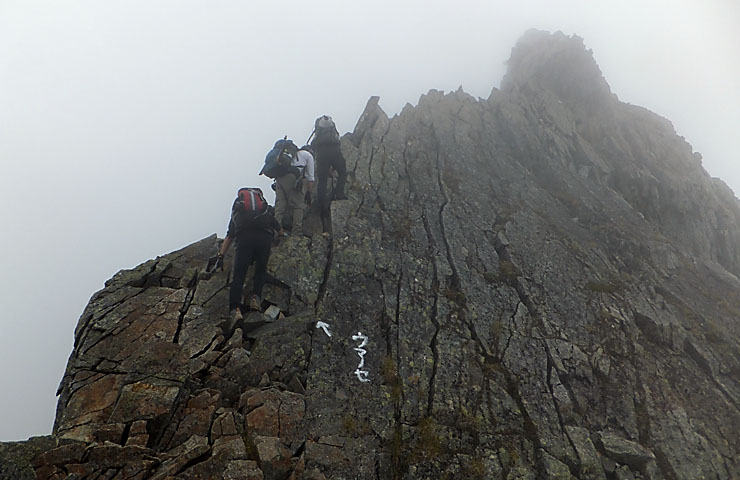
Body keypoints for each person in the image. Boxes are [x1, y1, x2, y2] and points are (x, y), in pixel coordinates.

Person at [216, 188, 281, 321]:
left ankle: (235, 310)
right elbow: (278, 227)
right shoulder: (265, 209)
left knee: (239, 275)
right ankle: (255, 299)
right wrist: (280, 235)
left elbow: (229, 236)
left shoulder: (239, 211)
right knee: (260, 271)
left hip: (244, 240)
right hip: (264, 239)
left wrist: (221, 256)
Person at [274, 144, 315, 236]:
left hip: (279, 179)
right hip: (292, 178)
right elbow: (310, 177)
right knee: (298, 205)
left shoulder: (290, 155)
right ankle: (297, 232)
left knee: (280, 205)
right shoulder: (308, 155)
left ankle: (276, 230)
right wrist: (309, 192)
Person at [311, 115, 347, 218]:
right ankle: (339, 193)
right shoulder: (332, 127)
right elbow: (337, 138)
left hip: (322, 154)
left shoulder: (318, 131)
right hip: (335, 151)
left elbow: (313, 144)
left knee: (322, 180)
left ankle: (321, 203)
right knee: (343, 172)